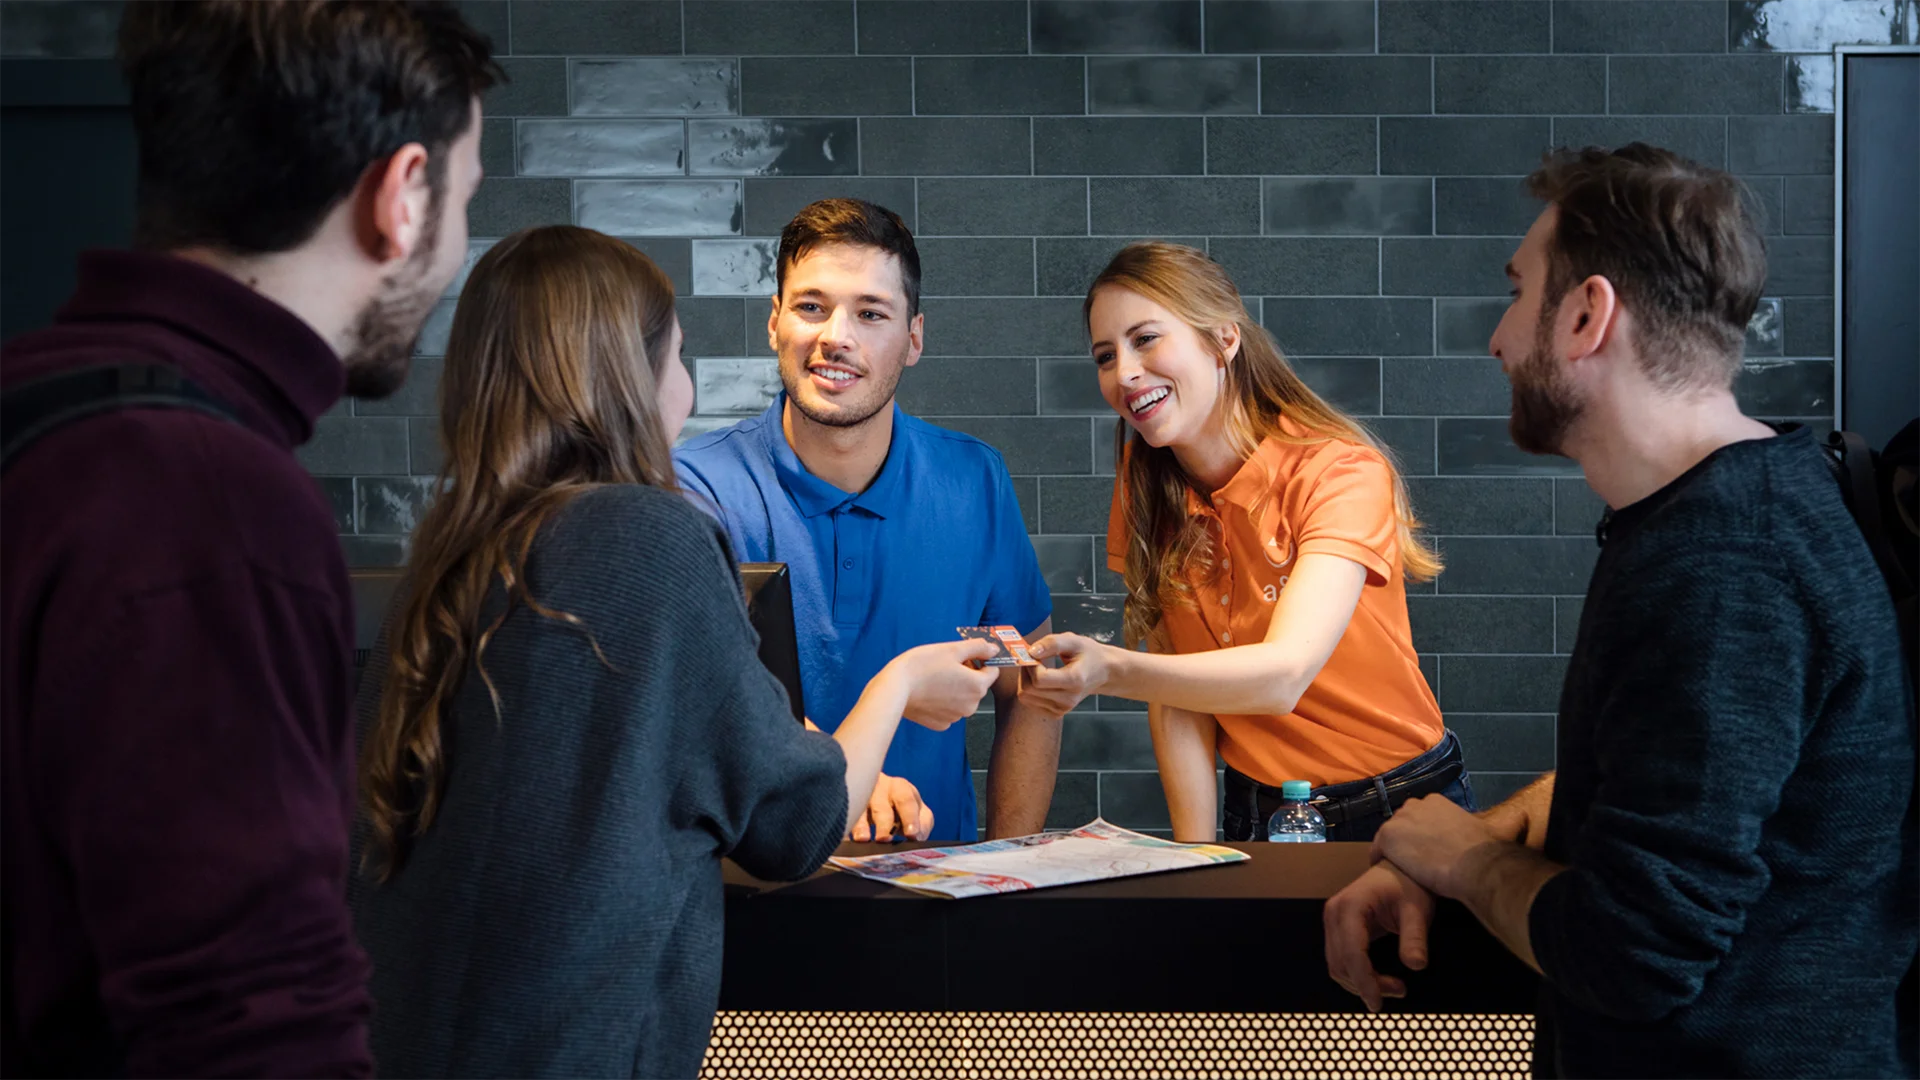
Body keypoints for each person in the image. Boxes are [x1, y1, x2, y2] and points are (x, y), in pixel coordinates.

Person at [349, 226, 999, 1080]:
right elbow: (793, 827)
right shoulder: (650, 535)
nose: (686, 392)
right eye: (679, 357)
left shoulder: (446, 560)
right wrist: (902, 680)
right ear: (629, 375)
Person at [1323, 145, 1918, 1078]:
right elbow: (1671, 781)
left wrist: (1462, 865)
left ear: (1587, 314)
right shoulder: (1742, 508)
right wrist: (1480, 834)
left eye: (1519, 293)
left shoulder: (1726, 564)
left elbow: (1634, 952)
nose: (1499, 340)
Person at [0, 2, 494, 1075]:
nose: (457, 247)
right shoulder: (212, 503)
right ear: (402, 196)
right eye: (466, 197)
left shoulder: (35, 413)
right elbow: (254, 1031)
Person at [1021, 242, 1472, 843]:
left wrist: (1109, 671)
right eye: (1106, 355)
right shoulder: (1145, 485)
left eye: (1146, 338)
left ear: (1223, 340)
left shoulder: (1339, 472)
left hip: (1397, 807)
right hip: (1258, 814)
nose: (1124, 372)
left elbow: (1283, 676)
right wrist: (1196, 853)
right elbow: (1177, 690)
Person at [675, 198, 1060, 842]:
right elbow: (706, 694)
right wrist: (839, 773)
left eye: (870, 313)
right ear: (774, 323)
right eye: (811, 306)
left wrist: (1006, 864)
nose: (836, 336)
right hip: (753, 892)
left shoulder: (974, 483)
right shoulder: (697, 488)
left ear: (912, 339)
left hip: (939, 888)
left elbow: (1029, 687)